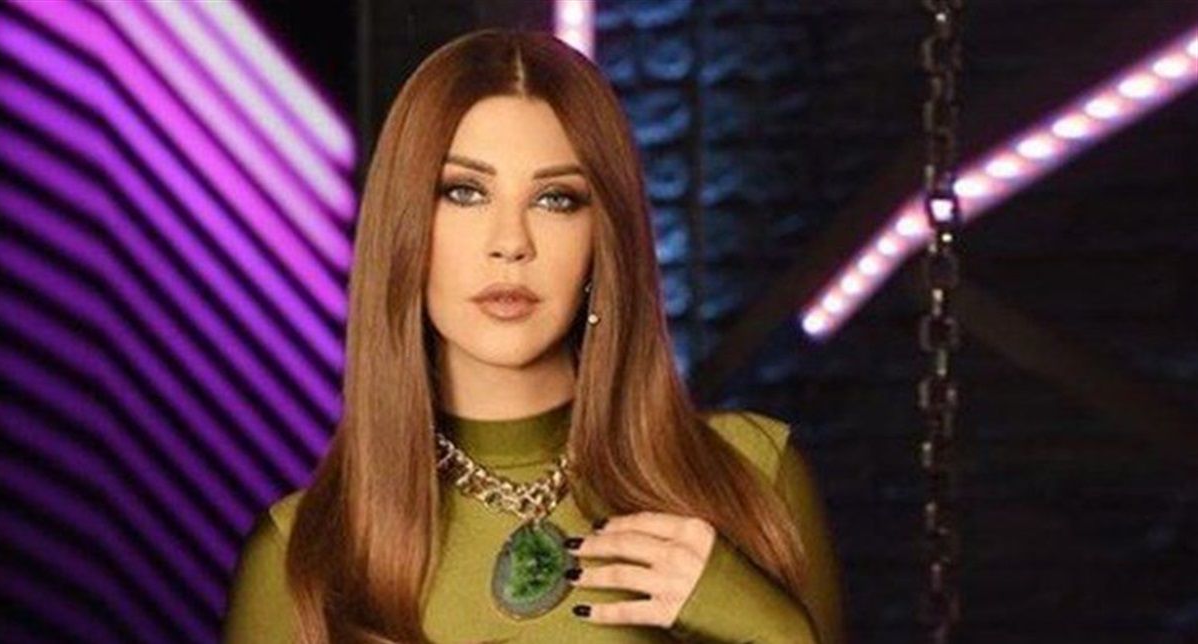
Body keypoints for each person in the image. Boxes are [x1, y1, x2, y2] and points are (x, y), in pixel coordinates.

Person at [221, 28, 845, 644]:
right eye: (464, 192)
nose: (511, 243)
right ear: (406, 228)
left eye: (555, 200)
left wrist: (771, 629)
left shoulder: (750, 477)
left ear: (603, 240)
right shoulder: (303, 559)